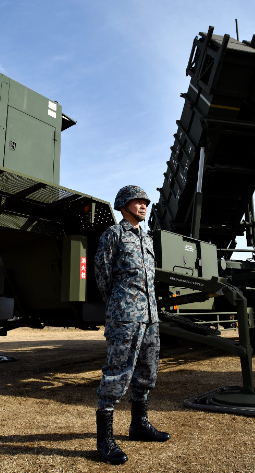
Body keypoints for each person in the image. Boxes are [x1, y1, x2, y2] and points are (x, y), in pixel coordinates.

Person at [93, 185, 170, 465]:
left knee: (146, 372)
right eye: (137, 202)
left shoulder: (147, 238)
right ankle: (105, 440)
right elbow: (102, 274)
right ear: (124, 206)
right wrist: (121, 304)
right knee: (116, 373)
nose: (143, 206)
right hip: (125, 316)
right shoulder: (114, 235)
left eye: (145, 202)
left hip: (150, 317)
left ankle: (139, 425)